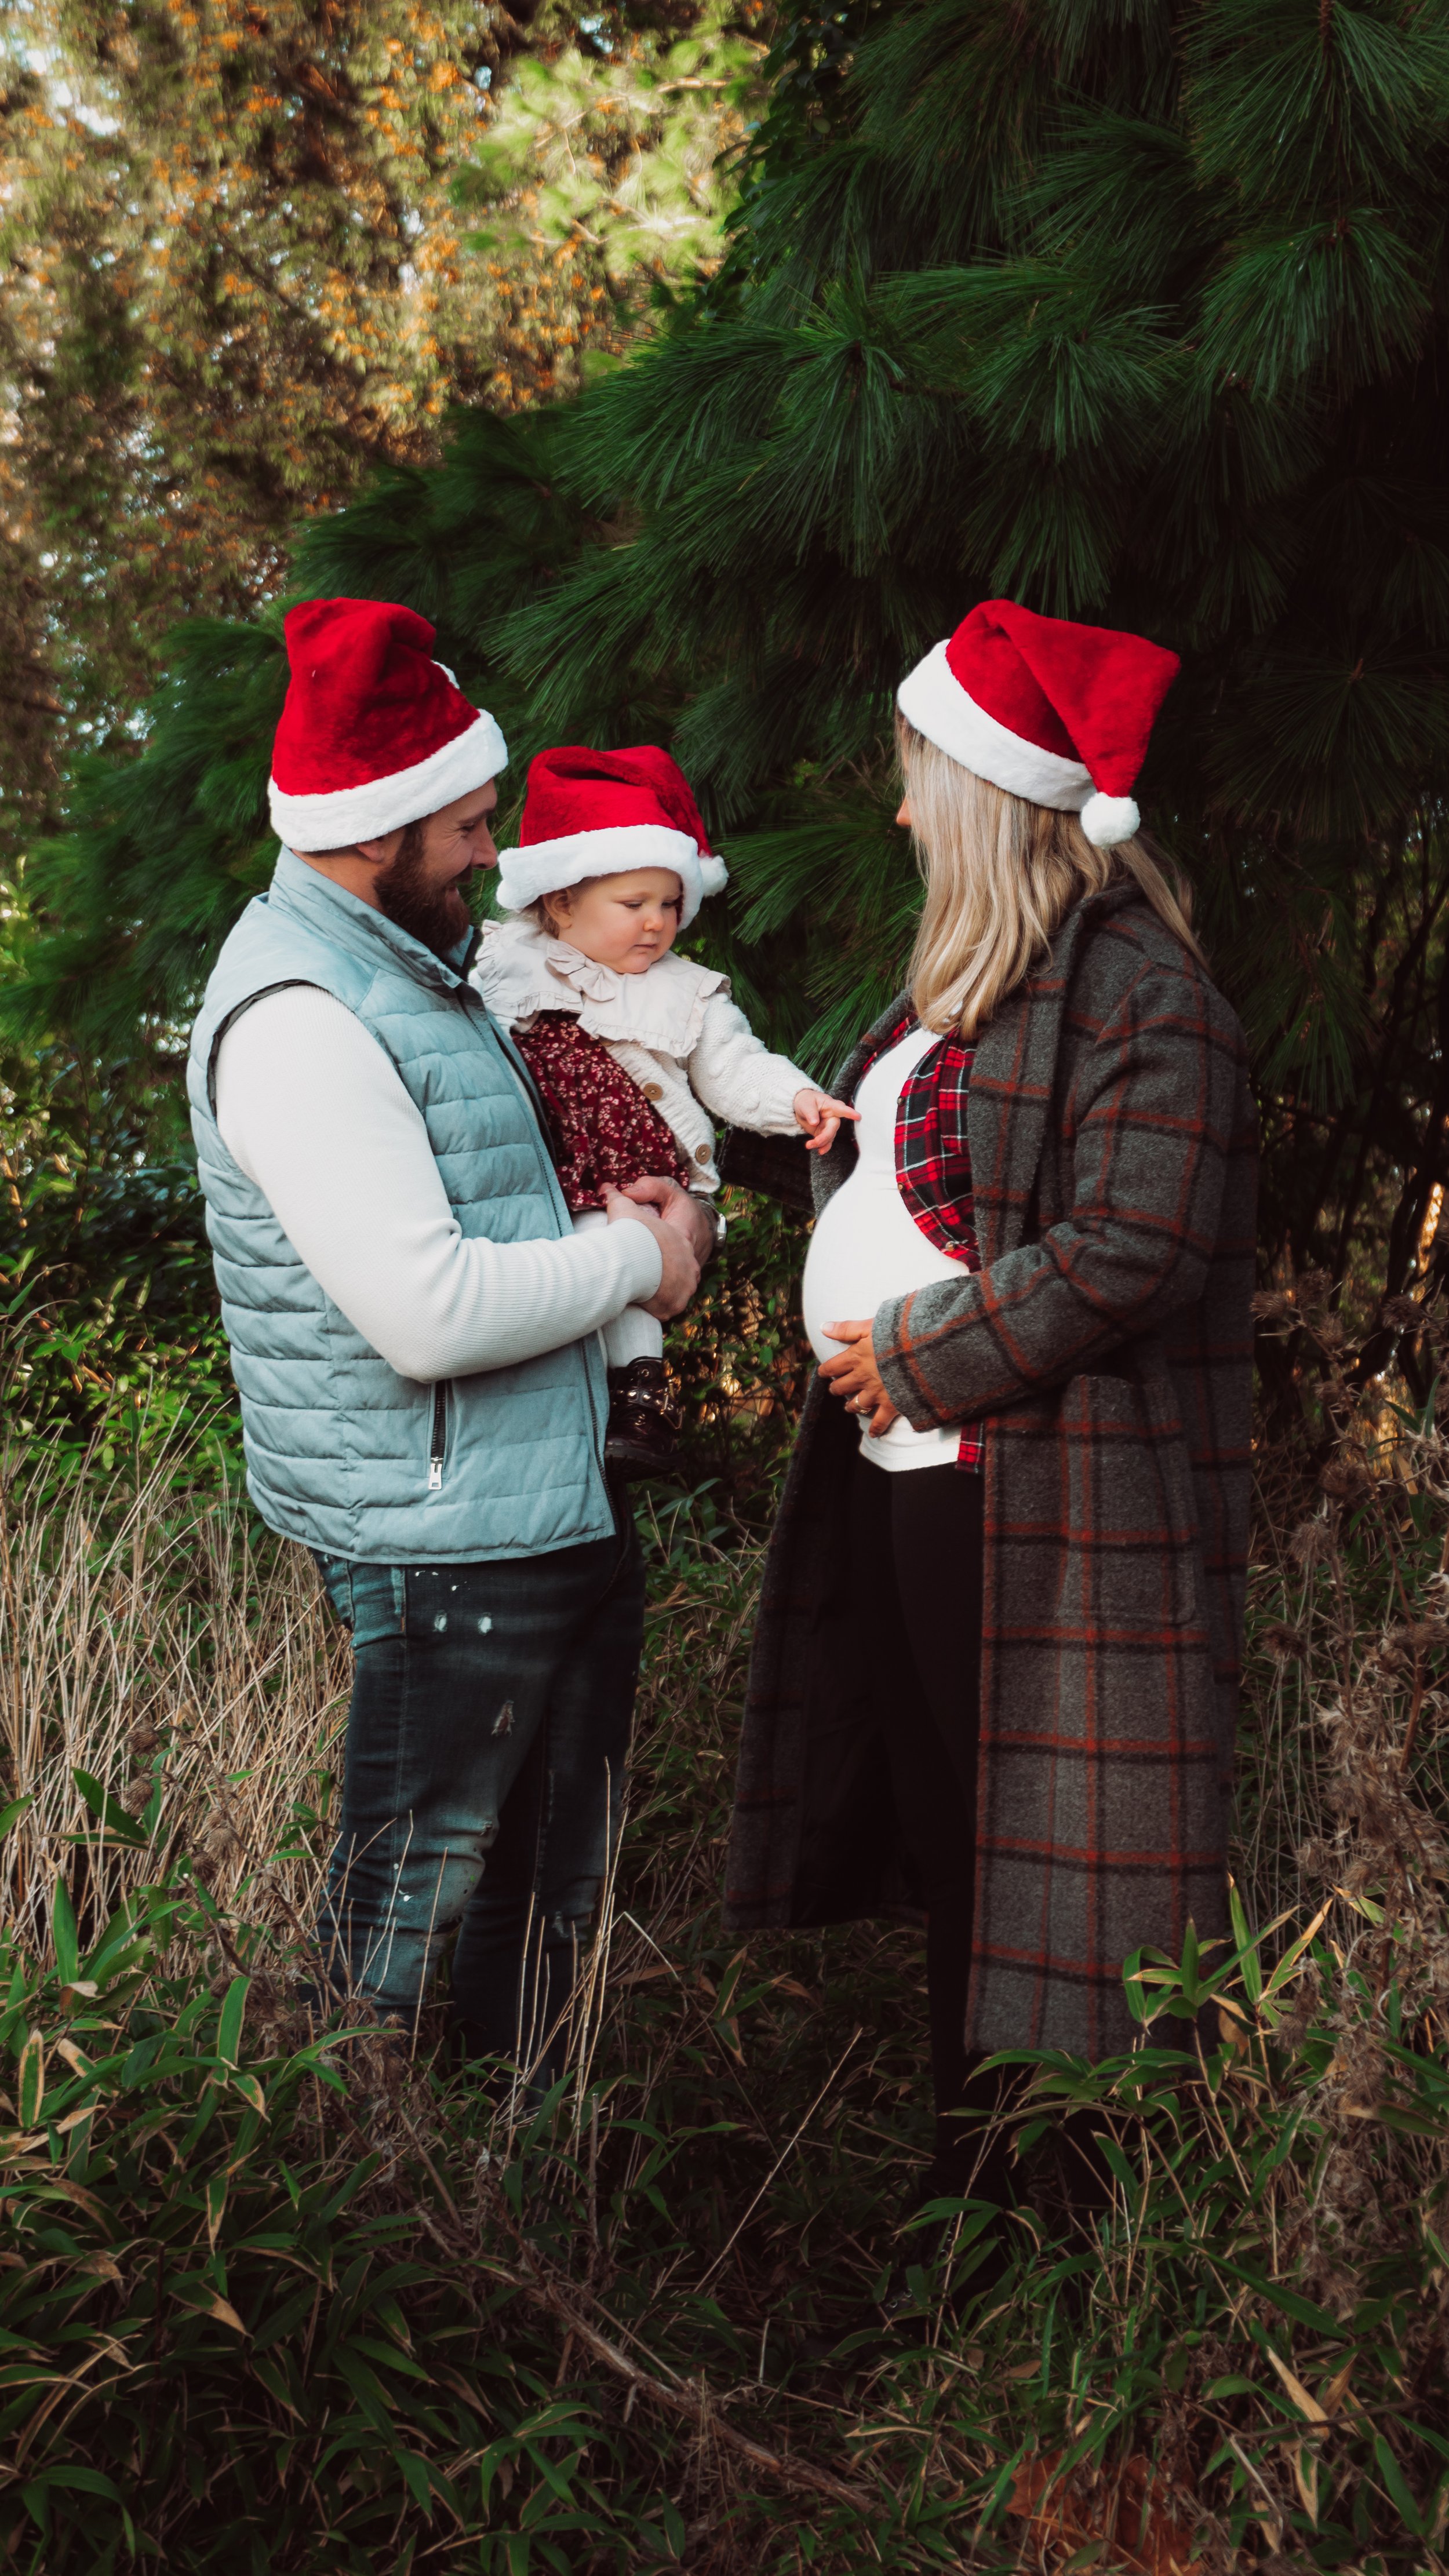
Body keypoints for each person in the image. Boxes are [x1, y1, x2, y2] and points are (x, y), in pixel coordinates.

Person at [724, 599, 1257, 2283]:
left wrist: (911, 1352)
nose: (890, 813)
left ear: (983, 790)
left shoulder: (1142, 991)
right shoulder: (949, 984)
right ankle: (967, 2227)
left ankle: (1061, 2264)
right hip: (908, 1489)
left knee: (1054, 1900)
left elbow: (1131, 1243)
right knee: (964, 1868)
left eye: (909, 781)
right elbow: (902, 1186)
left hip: (1043, 1502)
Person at [187, 596, 717, 2076]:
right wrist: (638, 1261)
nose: (495, 855)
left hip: (542, 1502)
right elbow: (424, 1313)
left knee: (544, 1917)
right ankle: (363, 2237)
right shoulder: (304, 1017)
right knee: (395, 1953)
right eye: (473, 826)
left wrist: (655, 1219)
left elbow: (526, 1192)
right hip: (446, 1546)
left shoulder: (416, 970)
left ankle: (520, 2217)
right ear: (381, 832)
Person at [474, 744, 857, 1474]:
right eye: (633, 904)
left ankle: (640, 1394)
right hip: (533, 1157)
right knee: (554, 1273)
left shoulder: (685, 990)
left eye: (670, 903)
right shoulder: (502, 966)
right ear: (560, 900)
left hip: (627, 1171)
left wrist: (796, 1098)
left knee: (625, 1242)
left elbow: (733, 1067)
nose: (656, 923)